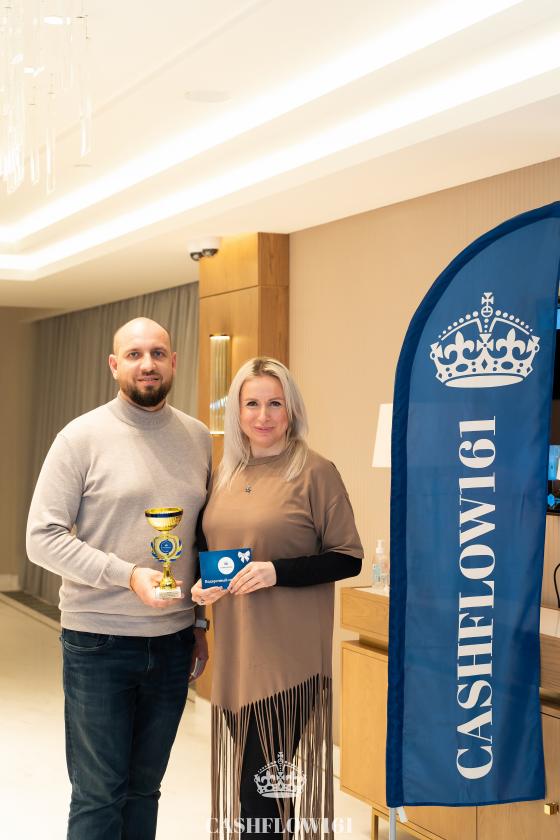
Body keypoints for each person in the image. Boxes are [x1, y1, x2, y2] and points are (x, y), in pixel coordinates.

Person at [26, 317, 212, 840]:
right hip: (98, 642)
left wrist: (199, 622)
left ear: (174, 361)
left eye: (157, 353)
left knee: (145, 790)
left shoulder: (198, 437)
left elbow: (199, 539)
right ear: (114, 365)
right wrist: (128, 576)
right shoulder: (79, 438)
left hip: (173, 643)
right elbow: (41, 538)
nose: (147, 364)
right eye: (134, 354)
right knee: (98, 794)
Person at [191, 357, 363, 840]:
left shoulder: (315, 472)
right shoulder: (223, 474)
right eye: (252, 403)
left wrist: (275, 571)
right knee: (263, 796)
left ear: (292, 410)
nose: (263, 416)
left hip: (289, 663)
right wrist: (202, 588)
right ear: (236, 410)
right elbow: (211, 547)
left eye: (275, 404)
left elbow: (347, 557)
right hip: (236, 659)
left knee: (260, 794)